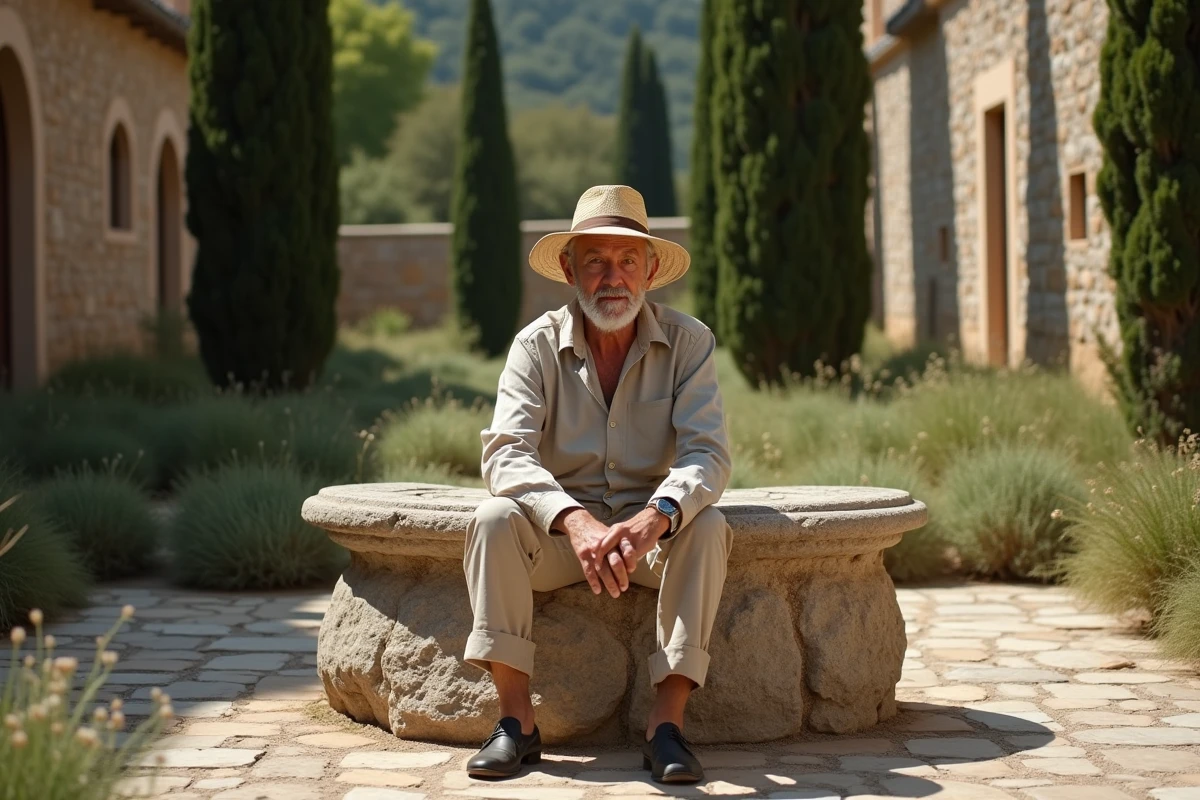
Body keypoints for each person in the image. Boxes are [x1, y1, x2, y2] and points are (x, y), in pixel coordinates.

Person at [462, 185, 732, 784]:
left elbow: (707, 454)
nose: (614, 278)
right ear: (569, 270)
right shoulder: (534, 345)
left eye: (628, 260)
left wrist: (657, 516)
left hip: (648, 540)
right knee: (493, 520)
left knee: (707, 524)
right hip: (563, 540)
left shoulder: (690, 343)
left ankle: (666, 727)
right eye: (596, 262)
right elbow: (505, 453)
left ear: (650, 271)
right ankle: (516, 724)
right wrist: (574, 520)